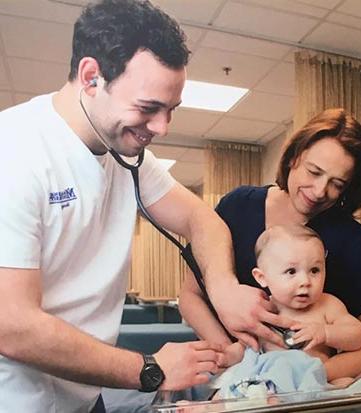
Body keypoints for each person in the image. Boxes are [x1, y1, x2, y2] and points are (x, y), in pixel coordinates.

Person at [0, 1, 288, 411]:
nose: (162, 127)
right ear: (90, 76)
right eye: (148, 108)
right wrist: (149, 369)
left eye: (171, 110)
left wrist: (222, 288)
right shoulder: (14, 152)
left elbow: (200, 218)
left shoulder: (126, 153)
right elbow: (13, 326)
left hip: (84, 395)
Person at [180, 108, 361, 384]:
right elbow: (190, 296)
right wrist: (238, 362)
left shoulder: (350, 238)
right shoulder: (238, 207)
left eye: (337, 184)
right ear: (294, 156)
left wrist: (307, 378)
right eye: (314, 171)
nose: (320, 191)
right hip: (234, 369)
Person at [214, 224, 361, 399]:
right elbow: (247, 346)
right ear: (262, 278)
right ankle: (206, 408)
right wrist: (226, 356)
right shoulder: (264, 309)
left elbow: (357, 336)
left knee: (348, 386)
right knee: (230, 384)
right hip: (264, 384)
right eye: (291, 271)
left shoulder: (327, 305)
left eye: (314, 270)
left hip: (311, 385)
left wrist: (325, 332)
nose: (305, 281)